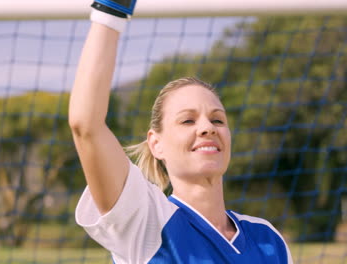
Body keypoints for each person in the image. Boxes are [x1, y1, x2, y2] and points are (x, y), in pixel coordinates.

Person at [68, 1, 293, 263]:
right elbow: (86, 125)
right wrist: (111, 12)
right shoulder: (146, 221)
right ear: (156, 144)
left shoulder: (267, 238)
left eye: (218, 120)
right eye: (188, 121)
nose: (207, 128)